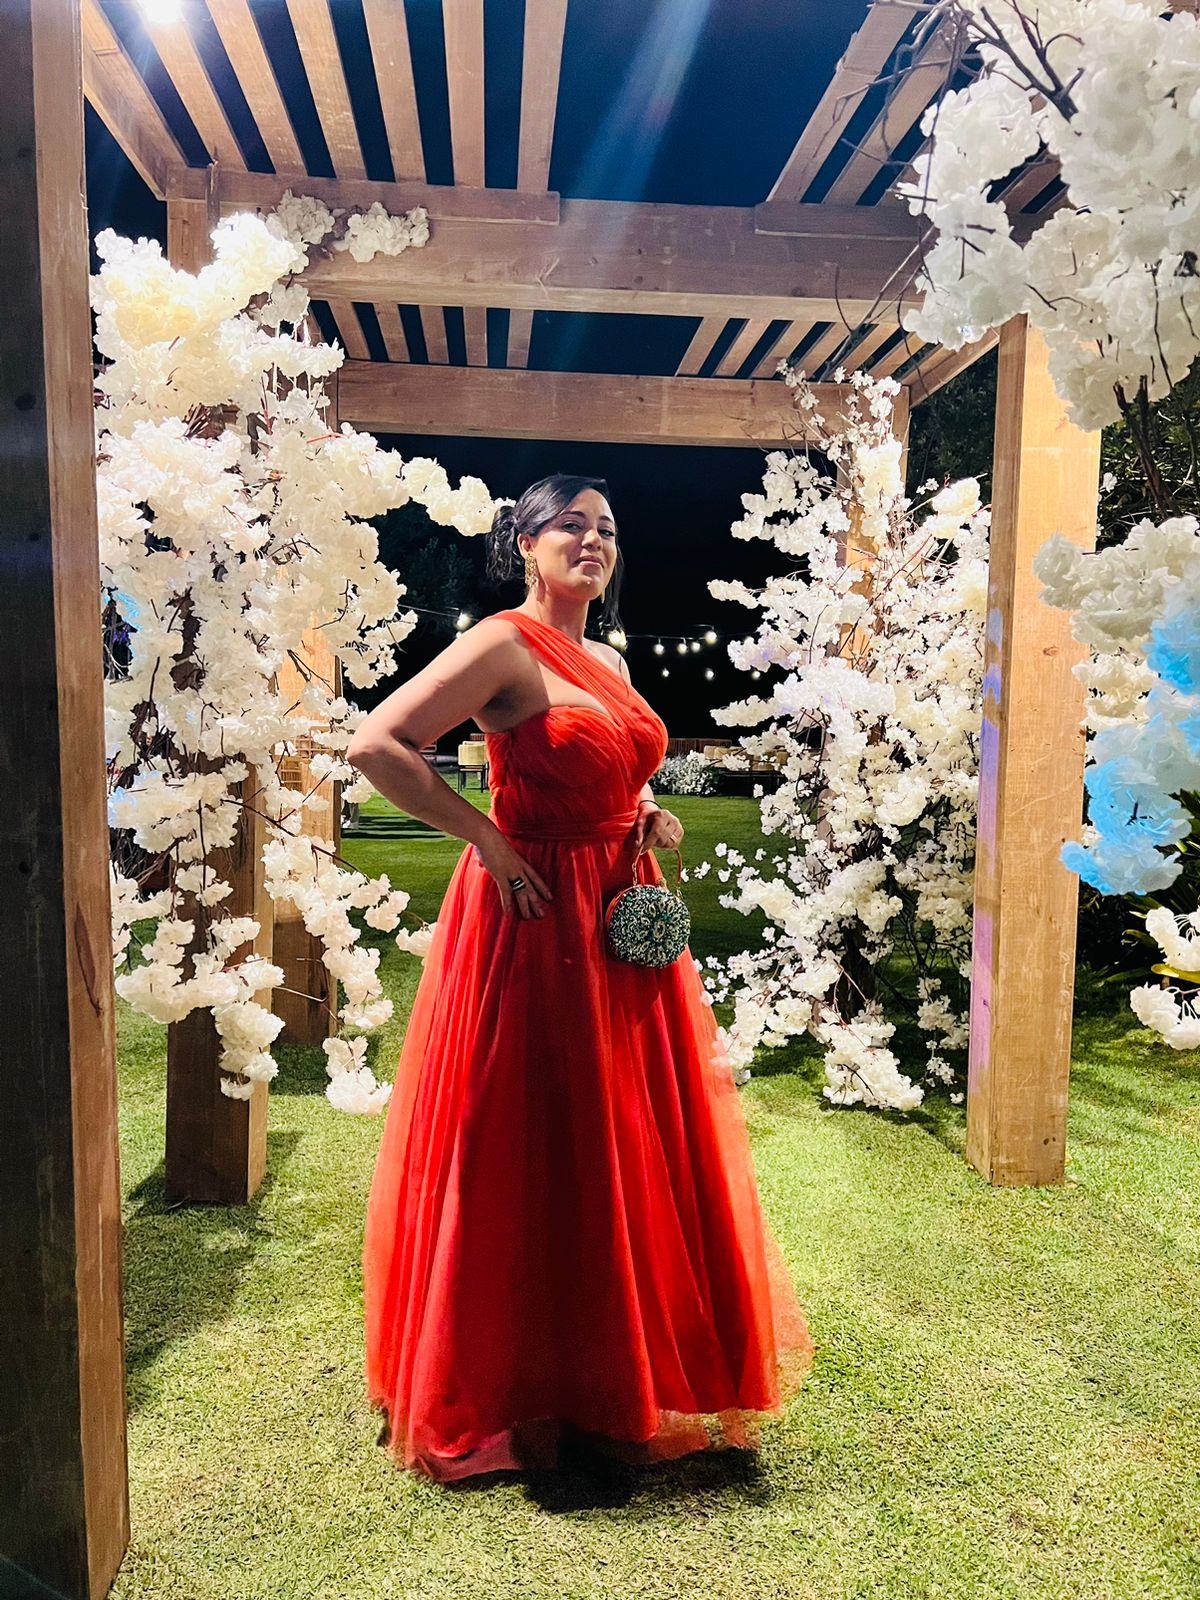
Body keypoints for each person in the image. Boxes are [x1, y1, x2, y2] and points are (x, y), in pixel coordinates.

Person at [347, 472, 812, 1482]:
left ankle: (631, 1357)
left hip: (621, 908)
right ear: (525, 542)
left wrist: (643, 810)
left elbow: (613, 764)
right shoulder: (501, 645)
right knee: (537, 1129)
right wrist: (487, 840)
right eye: (570, 525)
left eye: (605, 527)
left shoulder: (607, 656)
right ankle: (521, 1374)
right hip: (536, 911)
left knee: (628, 1124)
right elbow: (378, 743)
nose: (591, 540)